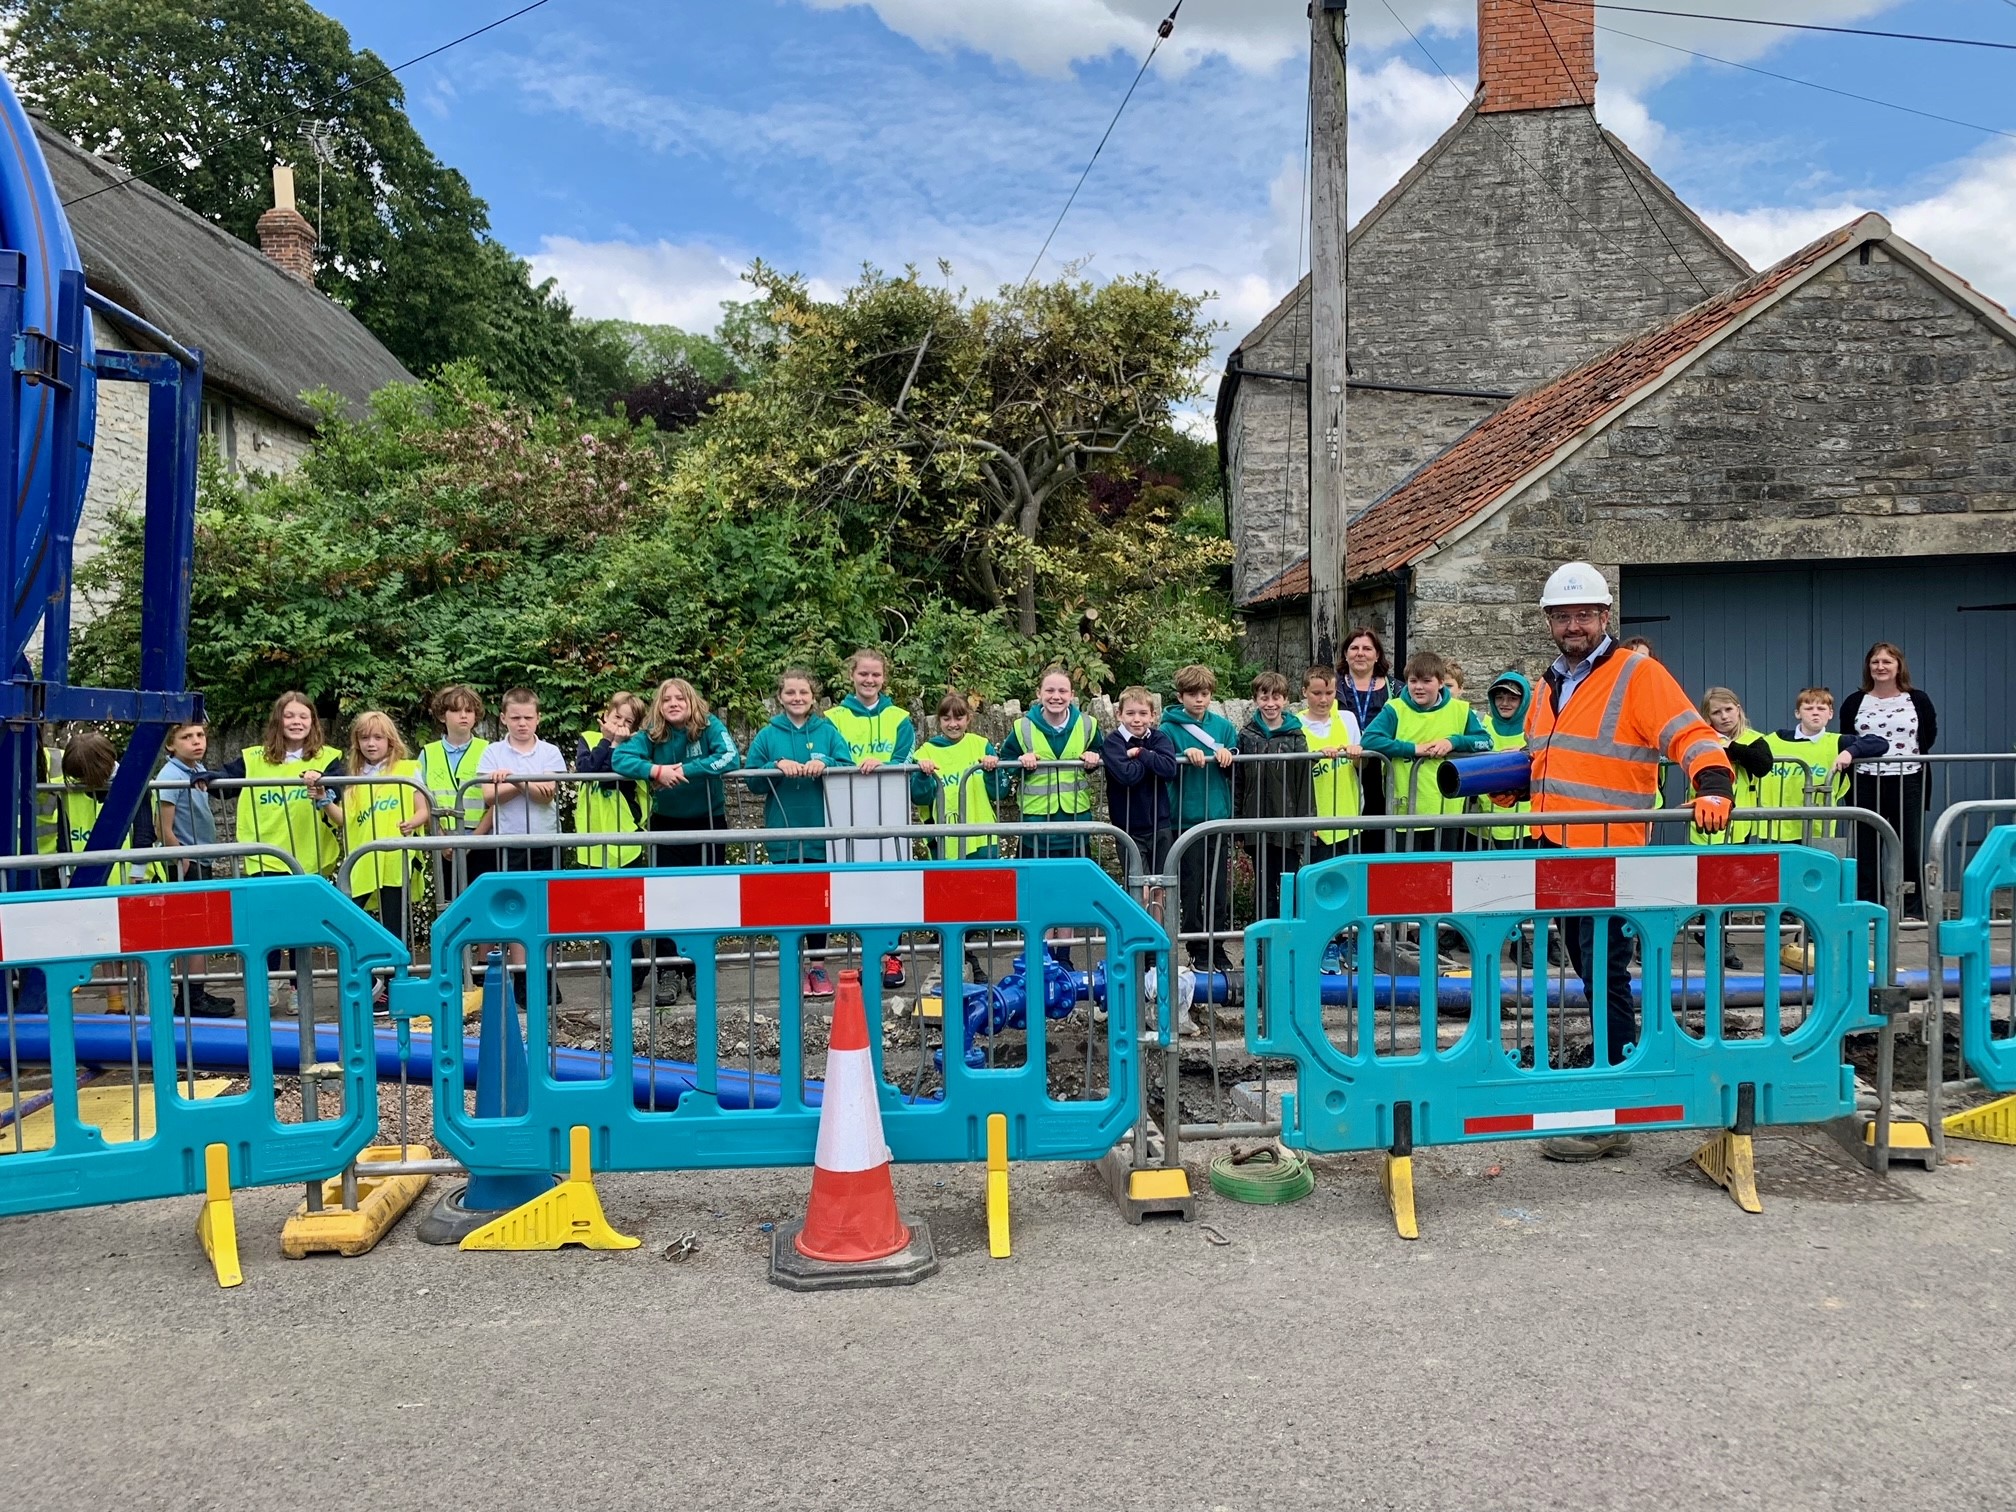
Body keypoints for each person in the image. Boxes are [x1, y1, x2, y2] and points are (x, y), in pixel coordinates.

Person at [1522, 562, 1735, 1161]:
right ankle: (1612, 1080)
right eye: (1563, 616)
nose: (1574, 626)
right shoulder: (1549, 684)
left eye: (1584, 615)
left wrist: (1714, 786)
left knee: (1606, 975)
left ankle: (1613, 1110)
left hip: (1608, 854)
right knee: (1591, 974)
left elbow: (1692, 737)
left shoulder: (1637, 674)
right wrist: (1517, 779)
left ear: (1605, 617)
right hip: (1557, 851)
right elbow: (1549, 756)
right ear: (1549, 622)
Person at [205, 692, 344, 1012]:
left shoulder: (328, 757)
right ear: (278, 721)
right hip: (263, 853)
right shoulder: (254, 756)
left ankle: (298, 985)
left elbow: (341, 789)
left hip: (308, 856)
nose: (296, 722)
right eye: (290, 716)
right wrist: (208, 777)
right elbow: (226, 780)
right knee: (267, 924)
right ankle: (269, 982)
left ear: (313, 723)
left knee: (299, 926)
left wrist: (323, 782)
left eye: (303, 717)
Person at [613, 678, 741, 1004]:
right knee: (664, 900)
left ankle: (698, 969)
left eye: (679, 698)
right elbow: (621, 759)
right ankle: (668, 969)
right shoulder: (653, 732)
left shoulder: (709, 725)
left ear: (691, 701)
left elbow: (730, 757)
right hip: (666, 828)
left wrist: (684, 769)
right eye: (666, 698)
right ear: (659, 704)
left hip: (709, 824)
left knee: (705, 900)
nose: (673, 703)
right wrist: (656, 771)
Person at [743, 667, 853, 997]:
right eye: (790, 693)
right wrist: (774, 767)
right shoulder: (767, 735)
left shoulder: (827, 730)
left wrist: (827, 765)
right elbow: (751, 779)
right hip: (783, 833)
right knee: (789, 900)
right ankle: (793, 965)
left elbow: (848, 767)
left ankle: (817, 965)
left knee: (819, 901)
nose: (797, 698)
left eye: (803, 693)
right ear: (780, 697)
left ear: (813, 697)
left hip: (822, 832)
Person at [476, 688, 566, 1006]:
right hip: (509, 843)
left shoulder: (551, 752)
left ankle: (546, 978)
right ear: (503, 719)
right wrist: (525, 782)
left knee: (545, 912)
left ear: (538, 718)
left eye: (528, 717)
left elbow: (547, 793)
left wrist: (511, 780)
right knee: (516, 912)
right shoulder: (492, 753)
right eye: (515, 717)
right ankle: (524, 980)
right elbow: (487, 796)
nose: (522, 723)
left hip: (546, 841)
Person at [335, 711, 431, 1006]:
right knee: (354, 923)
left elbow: (423, 808)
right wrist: (325, 802)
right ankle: (365, 980)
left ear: (390, 741)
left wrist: (413, 823)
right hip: (362, 862)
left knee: (395, 924)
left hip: (395, 861)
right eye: (364, 738)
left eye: (377, 737)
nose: (371, 744)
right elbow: (345, 820)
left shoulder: (407, 769)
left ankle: (394, 983)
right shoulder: (351, 777)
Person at [1840, 642, 1937, 918]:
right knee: (1867, 847)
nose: (1880, 667)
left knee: (1909, 845)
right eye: (1875, 662)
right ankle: (1869, 906)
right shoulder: (1855, 702)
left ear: (1898, 666)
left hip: (1909, 780)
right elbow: (1848, 737)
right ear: (1868, 667)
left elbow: (1928, 734)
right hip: (1865, 782)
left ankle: (1912, 909)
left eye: (1887, 662)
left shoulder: (1917, 699)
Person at [1359, 651, 1489, 853]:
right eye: (1413, 681)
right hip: (1404, 814)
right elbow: (1369, 739)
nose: (1418, 687)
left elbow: (1485, 741)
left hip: (1447, 815)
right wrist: (1412, 749)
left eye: (1426, 681)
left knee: (1442, 875)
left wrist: (1453, 742)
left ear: (1440, 683)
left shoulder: (1461, 710)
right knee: (1406, 876)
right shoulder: (1394, 709)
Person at [1161, 663, 1237, 973]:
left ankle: (1217, 944)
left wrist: (1228, 757)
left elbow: (1235, 762)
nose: (1199, 700)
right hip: (1186, 817)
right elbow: (1164, 764)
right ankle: (1196, 947)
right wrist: (1184, 757)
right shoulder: (1168, 729)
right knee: (1192, 887)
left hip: (1217, 815)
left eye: (1204, 694)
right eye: (1193, 694)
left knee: (1218, 886)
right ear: (1181, 696)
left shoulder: (1223, 727)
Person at [154, 720, 232, 1016]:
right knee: (193, 932)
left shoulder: (197, 770)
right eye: (187, 737)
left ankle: (195, 991)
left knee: (201, 931)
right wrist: (180, 855)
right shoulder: (171, 775)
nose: (197, 741)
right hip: (189, 861)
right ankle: (190, 997)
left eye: (200, 735)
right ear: (171, 745)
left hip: (201, 857)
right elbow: (164, 827)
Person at [997, 666, 1103, 861]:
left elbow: (1099, 752)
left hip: (1076, 826)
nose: (1056, 696)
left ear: (1072, 695)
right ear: (1039, 693)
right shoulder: (1023, 727)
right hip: (1035, 827)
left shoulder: (1088, 725)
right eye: (1050, 690)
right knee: (1035, 889)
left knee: (1074, 888)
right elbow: (1006, 761)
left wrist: (1093, 758)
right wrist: (1021, 763)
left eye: (1062, 691)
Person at [1758, 687, 1887, 844]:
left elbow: (1880, 743)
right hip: (1775, 828)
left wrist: (1849, 752)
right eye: (1808, 708)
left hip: (1818, 829)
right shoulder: (1774, 739)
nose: (1815, 712)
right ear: (1797, 713)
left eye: (1821, 708)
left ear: (1830, 714)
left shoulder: (1838, 742)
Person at [1235, 672, 1311, 921]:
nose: (1270, 703)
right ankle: (1262, 943)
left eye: (1276, 697)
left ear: (1286, 700)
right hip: (1256, 823)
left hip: (1287, 824)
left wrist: (1304, 826)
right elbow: (1238, 781)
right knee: (1263, 887)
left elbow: (1304, 783)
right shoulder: (1247, 736)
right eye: (1264, 697)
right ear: (1255, 699)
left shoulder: (1296, 736)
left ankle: (1288, 940)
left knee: (1288, 884)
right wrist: (1238, 823)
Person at [914, 691, 1007, 860]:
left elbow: (1000, 793)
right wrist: (923, 775)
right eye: (946, 718)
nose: (953, 724)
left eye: (958, 718)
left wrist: (992, 771)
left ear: (968, 719)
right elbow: (919, 797)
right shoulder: (926, 752)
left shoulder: (982, 745)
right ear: (938, 720)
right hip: (944, 840)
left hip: (983, 837)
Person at [1100, 686, 1177, 876]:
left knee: (1161, 884)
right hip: (1128, 827)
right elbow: (1127, 775)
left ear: (1153, 716)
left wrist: (1140, 753)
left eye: (1143, 713)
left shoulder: (1159, 738)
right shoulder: (1113, 742)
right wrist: (1152, 761)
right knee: (1138, 885)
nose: (1137, 719)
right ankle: (1141, 908)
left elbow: (1169, 769)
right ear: (1119, 715)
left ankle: (1158, 908)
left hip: (1160, 824)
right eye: (1130, 713)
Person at [573, 692, 648, 871]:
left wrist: (616, 745)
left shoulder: (634, 746)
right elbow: (586, 770)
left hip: (625, 833)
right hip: (591, 834)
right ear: (606, 716)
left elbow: (607, 779)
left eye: (628, 721)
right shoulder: (588, 738)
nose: (621, 723)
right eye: (617, 716)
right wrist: (607, 741)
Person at [1297, 664, 1362, 865]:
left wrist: (1357, 755)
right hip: (1316, 822)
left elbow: (1361, 766)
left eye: (1329, 693)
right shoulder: (1295, 724)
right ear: (1304, 692)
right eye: (1316, 693)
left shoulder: (1348, 719)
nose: (1323, 699)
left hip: (1349, 819)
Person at [1692, 688, 1773, 846]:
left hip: (1739, 818)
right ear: (1708, 717)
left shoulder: (1754, 739)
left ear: (1738, 709)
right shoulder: (1700, 739)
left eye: (1728, 709)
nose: (1724, 716)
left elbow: (1763, 766)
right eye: (1716, 712)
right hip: (1707, 814)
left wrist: (1733, 748)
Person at [1339, 627, 1392, 853]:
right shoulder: (1331, 688)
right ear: (1345, 654)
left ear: (1377, 655)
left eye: (1367, 648)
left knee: (1379, 835)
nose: (1360, 653)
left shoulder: (1396, 688)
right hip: (1344, 768)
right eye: (1354, 648)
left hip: (1383, 772)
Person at [825, 648, 916, 775]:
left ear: (884, 678)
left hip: (890, 792)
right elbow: (829, 761)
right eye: (863, 674)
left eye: (876, 675)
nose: (869, 680)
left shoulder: (900, 719)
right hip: (846, 793)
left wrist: (882, 766)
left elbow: (905, 763)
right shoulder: (833, 719)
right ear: (852, 675)